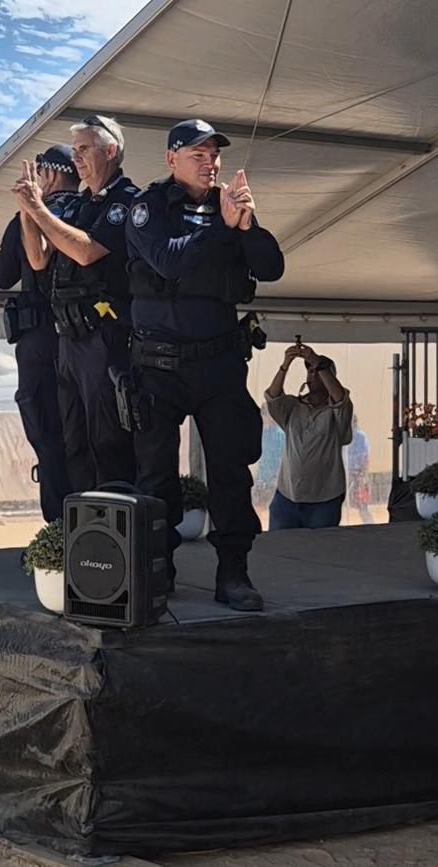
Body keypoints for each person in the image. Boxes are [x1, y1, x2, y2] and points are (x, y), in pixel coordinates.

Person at [126, 119, 285, 610]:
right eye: (198, 154)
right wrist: (223, 223)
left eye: (213, 154)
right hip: (158, 367)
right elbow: (170, 262)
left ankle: (234, 574)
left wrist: (248, 222)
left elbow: (271, 267)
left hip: (218, 366)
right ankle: (158, 570)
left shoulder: (230, 210)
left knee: (231, 474)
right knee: (155, 477)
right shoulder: (148, 208)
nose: (209, 162)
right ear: (171, 159)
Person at [11, 115, 138, 491]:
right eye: (76, 150)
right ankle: (83, 531)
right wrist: (26, 207)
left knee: (107, 441)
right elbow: (38, 260)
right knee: (74, 441)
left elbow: (85, 252)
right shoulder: (82, 204)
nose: (77, 158)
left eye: (85, 149)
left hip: (105, 337)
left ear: (110, 151)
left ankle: (116, 533)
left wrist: (38, 209)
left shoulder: (125, 202)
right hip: (68, 339)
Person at [0, 145, 79, 522]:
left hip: (41, 341)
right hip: (85, 342)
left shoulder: (31, 216)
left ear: (48, 175)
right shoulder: (89, 212)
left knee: (47, 433)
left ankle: (60, 530)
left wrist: (26, 212)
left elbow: (2, 274)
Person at [265, 343, 353, 530]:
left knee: (318, 552)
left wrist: (317, 362)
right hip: (287, 497)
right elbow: (272, 397)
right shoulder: (293, 406)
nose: (312, 375)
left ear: (330, 378)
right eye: (310, 371)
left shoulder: (336, 413)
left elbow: (340, 400)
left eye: (318, 372)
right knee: (277, 549)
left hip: (325, 499)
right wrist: (285, 365)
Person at [345, 415, 373, 523]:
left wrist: (363, 474)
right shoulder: (359, 436)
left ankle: (368, 523)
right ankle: (368, 523)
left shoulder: (360, 436)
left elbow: (365, 456)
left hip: (355, 472)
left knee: (361, 503)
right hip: (353, 471)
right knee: (360, 504)